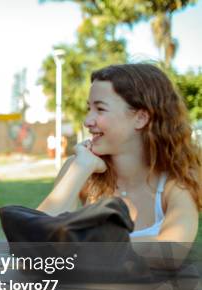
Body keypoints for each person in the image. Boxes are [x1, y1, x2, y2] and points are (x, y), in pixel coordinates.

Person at [38, 63, 201, 266]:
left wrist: (79, 246)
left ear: (141, 118)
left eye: (100, 109)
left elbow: (173, 249)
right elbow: (34, 242)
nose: (87, 121)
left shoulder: (177, 179)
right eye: (89, 109)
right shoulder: (80, 168)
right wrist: (80, 168)